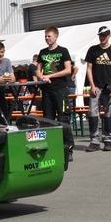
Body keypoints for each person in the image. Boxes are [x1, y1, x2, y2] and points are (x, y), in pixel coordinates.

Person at [35, 26, 75, 161]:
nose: (47, 38)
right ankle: (51, 148)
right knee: (48, 119)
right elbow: (38, 70)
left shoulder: (63, 51)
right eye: (45, 36)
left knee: (63, 118)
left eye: (49, 36)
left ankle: (68, 148)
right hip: (46, 90)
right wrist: (42, 77)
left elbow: (68, 70)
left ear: (56, 36)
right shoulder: (42, 52)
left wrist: (51, 76)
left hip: (60, 89)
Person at [84, 26, 111, 152]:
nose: (103, 37)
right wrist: (92, 85)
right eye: (101, 35)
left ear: (109, 36)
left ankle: (108, 140)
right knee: (92, 114)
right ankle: (94, 141)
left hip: (109, 88)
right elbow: (89, 68)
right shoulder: (93, 50)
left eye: (105, 35)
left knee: (109, 114)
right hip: (96, 87)